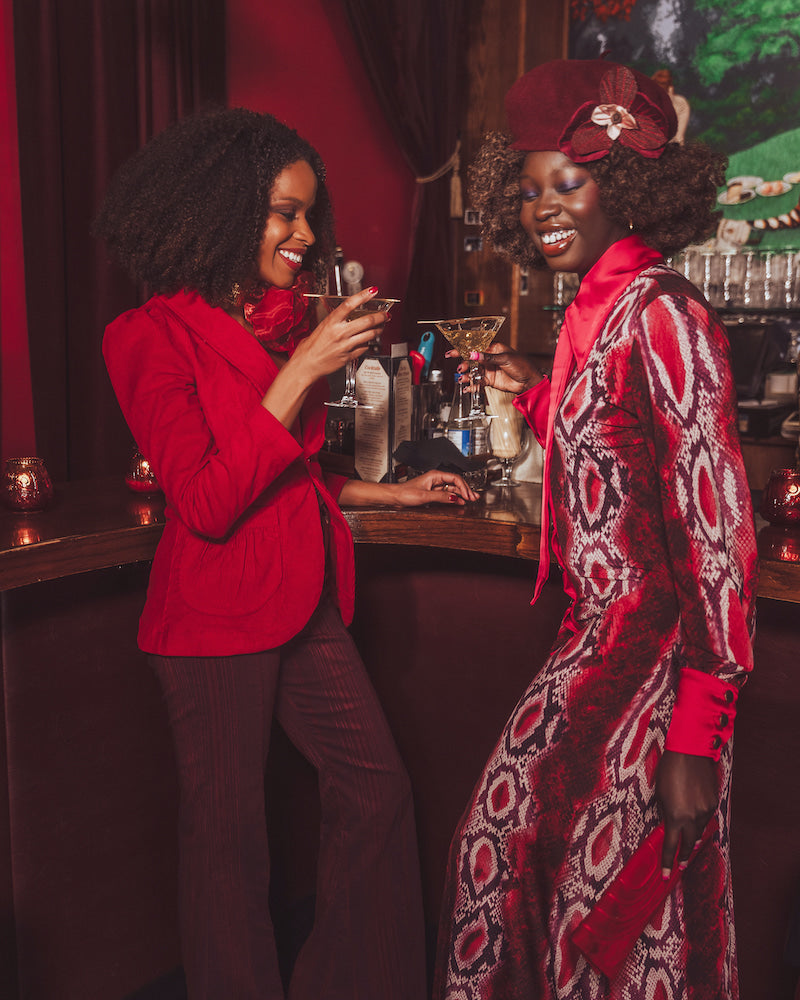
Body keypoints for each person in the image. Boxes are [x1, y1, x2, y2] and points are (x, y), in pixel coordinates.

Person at [95, 107, 477, 1000]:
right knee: (229, 850)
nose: (305, 234)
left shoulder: (266, 329)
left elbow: (292, 472)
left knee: (376, 792)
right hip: (212, 615)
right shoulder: (146, 335)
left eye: (309, 214)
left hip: (300, 599)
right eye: (283, 212)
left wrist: (393, 490)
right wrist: (302, 369)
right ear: (222, 209)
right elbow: (209, 498)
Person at [434, 60, 757, 999]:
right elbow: (615, 443)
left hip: (655, 662)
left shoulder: (666, 315)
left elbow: (718, 538)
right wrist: (534, 399)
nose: (543, 208)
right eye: (528, 188)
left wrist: (697, 736)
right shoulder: (601, 311)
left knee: (603, 912)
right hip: (596, 641)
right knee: (521, 876)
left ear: (625, 185)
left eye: (567, 182)